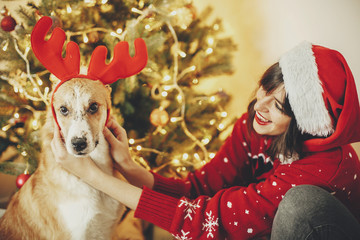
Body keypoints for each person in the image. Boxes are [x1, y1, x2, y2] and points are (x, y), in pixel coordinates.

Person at [52, 41, 360, 239]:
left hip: (316, 226)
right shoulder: (258, 125)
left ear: (305, 124)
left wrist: (93, 176)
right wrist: (129, 167)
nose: (261, 106)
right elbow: (203, 188)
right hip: (266, 227)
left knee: (298, 205)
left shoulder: (321, 168)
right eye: (266, 89)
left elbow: (209, 221)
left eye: (279, 107)